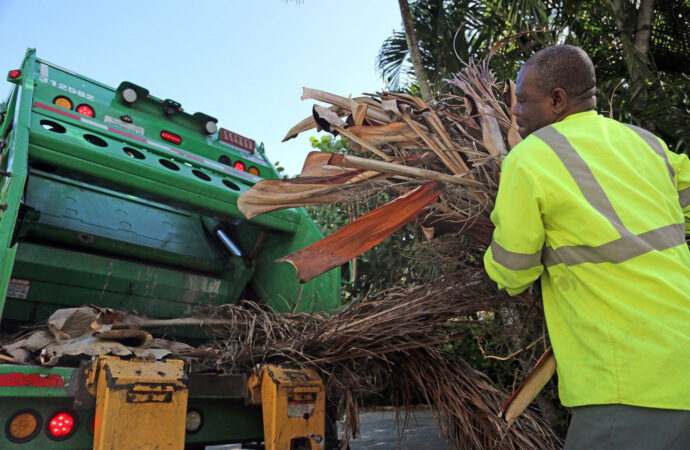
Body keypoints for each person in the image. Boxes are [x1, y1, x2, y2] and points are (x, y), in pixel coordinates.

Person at [483, 45, 690, 449]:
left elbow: (513, 270)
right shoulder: (646, 143)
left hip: (627, 384)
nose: (516, 113)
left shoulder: (529, 160)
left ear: (557, 100)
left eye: (523, 101)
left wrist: (487, 253)